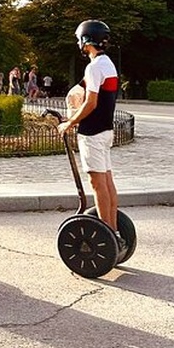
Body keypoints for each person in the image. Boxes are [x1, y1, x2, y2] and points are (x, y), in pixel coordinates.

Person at [57, 20, 126, 255]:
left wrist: (69, 123)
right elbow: (83, 92)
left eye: (80, 39)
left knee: (97, 184)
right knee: (107, 181)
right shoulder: (108, 64)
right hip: (105, 131)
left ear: (86, 41)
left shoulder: (94, 67)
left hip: (92, 133)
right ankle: (115, 232)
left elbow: (91, 102)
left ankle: (109, 234)